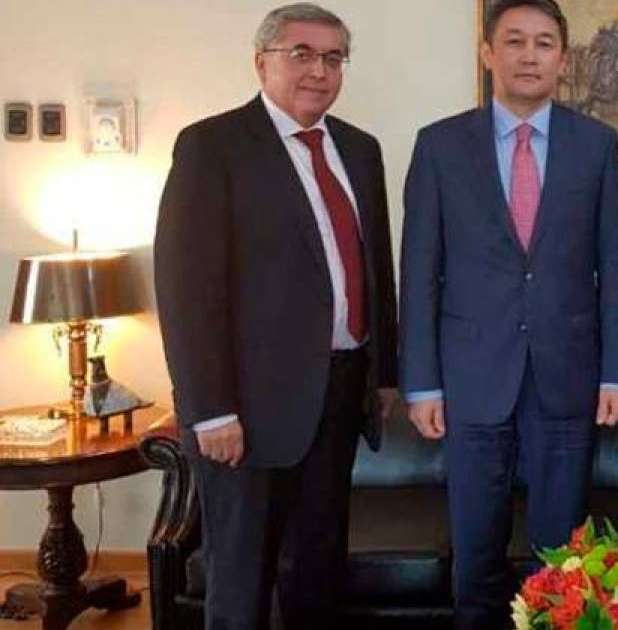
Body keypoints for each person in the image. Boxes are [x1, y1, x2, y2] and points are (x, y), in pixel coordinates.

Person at [154, 4, 397, 628]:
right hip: (249, 410)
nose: (320, 70)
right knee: (242, 582)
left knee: (317, 572)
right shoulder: (213, 147)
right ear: (262, 62)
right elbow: (186, 289)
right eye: (302, 54)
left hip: (340, 394)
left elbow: (375, 268)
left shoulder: (359, 150)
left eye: (333, 57)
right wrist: (210, 409)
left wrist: (384, 375)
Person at [399, 0, 618, 626]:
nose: (529, 56)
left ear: (563, 58)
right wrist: (420, 383)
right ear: (488, 53)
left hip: (568, 377)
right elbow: (419, 273)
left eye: (543, 43)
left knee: (562, 559)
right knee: (476, 554)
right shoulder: (440, 145)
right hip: (471, 379)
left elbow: (615, 267)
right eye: (514, 41)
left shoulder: (596, 145)